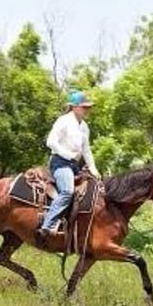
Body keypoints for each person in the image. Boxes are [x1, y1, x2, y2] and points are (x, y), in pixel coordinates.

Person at [36, 90, 101, 240]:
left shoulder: (84, 126)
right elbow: (50, 142)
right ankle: (47, 224)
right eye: (85, 107)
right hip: (60, 163)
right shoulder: (63, 121)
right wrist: (69, 155)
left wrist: (93, 168)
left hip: (74, 166)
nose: (87, 110)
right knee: (67, 191)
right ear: (75, 107)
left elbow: (86, 150)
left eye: (88, 107)